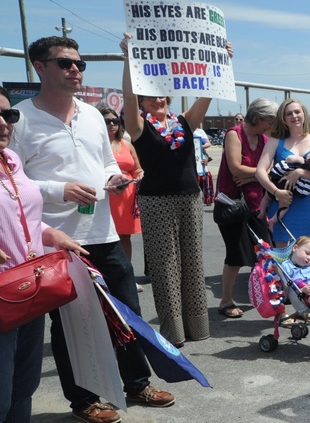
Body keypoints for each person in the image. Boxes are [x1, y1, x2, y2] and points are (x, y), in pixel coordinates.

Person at [12, 36, 174, 423]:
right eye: (65, 63)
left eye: (80, 64)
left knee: (127, 311)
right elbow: (11, 182)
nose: (75, 70)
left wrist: (113, 176)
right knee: (72, 323)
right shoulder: (21, 119)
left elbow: (103, 163)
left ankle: (137, 382)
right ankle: (84, 399)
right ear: (40, 67)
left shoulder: (90, 116)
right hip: (55, 240)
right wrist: (57, 190)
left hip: (102, 232)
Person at [0, 86, 86, 423]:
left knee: (22, 384)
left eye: (6, 115)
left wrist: (54, 236)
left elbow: (28, 217)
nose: (2, 124)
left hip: (27, 289)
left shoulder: (12, 162)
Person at [120, 32, 231, 346]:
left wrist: (221, 60)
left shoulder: (184, 121)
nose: (159, 100)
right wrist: (129, 59)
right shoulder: (137, 126)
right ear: (143, 101)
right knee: (165, 266)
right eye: (152, 96)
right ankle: (173, 332)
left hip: (190, 199)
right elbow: (127, 98)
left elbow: (206, 96)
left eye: (163, 96)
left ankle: (197, 327)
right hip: (156, 202)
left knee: (192, 262)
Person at [214, 98, 277, 318]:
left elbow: (266, 169)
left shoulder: (264, 139)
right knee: (236, 255)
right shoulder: (234, 133)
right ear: (259, 117)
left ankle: (266, 297)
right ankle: (225, 301)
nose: (272, 124)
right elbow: (235, 169)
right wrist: (261, 172)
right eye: (270, 120)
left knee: (264, 253)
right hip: (233, 204)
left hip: (257, 204)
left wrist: (256, 173)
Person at [256, 99, 310, 247]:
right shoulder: (275, 141)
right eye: (289, 113)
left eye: (297, 112)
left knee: (308, 257)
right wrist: (276, 193)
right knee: (284, 259)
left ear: (304, 114)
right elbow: (260, 172)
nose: (294, 116)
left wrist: (300, 173)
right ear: (283, 119)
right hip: (282, 205)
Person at [98, 106, 143, 262]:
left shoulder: (126, 144)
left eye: (115, 121)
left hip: (127, 196)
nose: (112, 124)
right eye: (107, 121)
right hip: (107, 194)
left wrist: (141, 174)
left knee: (125, 237)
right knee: (107, 237)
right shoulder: (96, 144)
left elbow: (137, 168)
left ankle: (127, 276)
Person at [259, 152, 310, 224]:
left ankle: (262, 211)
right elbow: (306, 191)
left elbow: (289, 158)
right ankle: (273, 220)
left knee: (266, 198)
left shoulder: (301, 160)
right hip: (287, 192)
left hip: (276, 184)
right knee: (284, 208)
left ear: (309, 157)